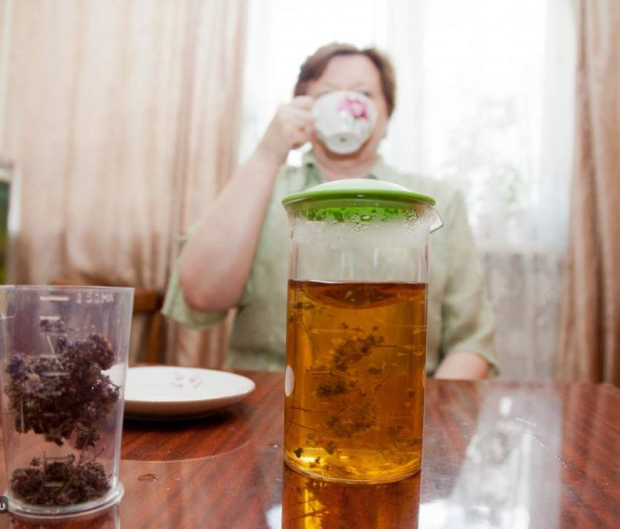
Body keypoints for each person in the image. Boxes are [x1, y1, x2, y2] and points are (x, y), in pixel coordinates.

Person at [163, 43, 498, 379]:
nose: (345, 104)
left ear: (386, 117)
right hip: (272, 396)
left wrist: (428, 407)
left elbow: (470, 342)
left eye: (363, 93)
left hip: (399, 399)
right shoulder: (261, 187)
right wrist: (269, 152)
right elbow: (202, 294)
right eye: (327, 94)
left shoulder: (437, 201)